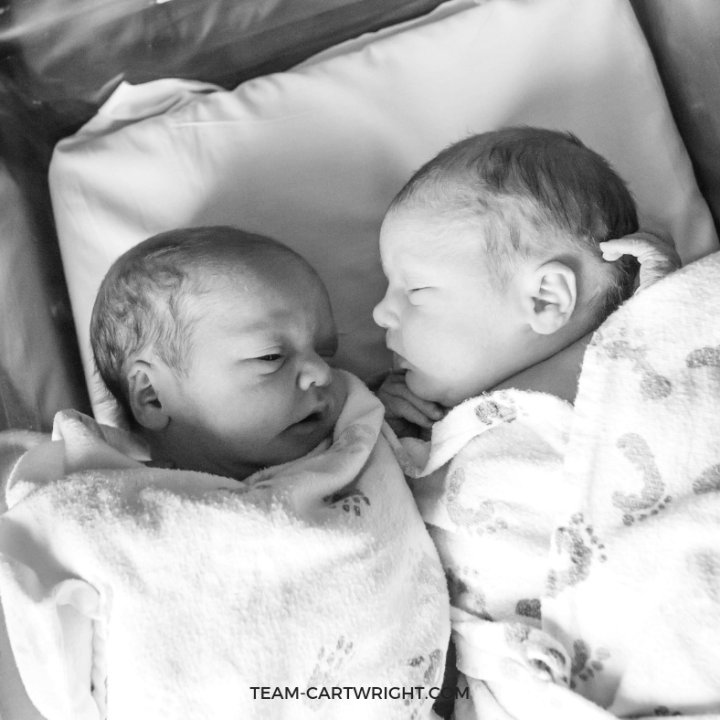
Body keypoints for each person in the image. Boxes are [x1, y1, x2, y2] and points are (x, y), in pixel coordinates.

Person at [372, 127, 681, 718]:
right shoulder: (432, 423)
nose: (381, 313)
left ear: (545, 300)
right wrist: (381, 420)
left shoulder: (643, 353)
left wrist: (662, 292)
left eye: (415, 289)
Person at [90, 225, 348, 479]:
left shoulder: (359, 437)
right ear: (152, 397)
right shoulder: (125, 496)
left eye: (327, 354)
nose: (322, 373)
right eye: (270, 357)